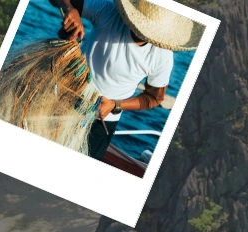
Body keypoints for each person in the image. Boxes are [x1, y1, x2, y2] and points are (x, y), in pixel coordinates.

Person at [51, 0, 203, 161]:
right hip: (63, 100)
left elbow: (154, 98)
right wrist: (70, 8)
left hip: (102, 122)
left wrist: (115, 105)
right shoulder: (109, 11)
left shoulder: (162, 56)